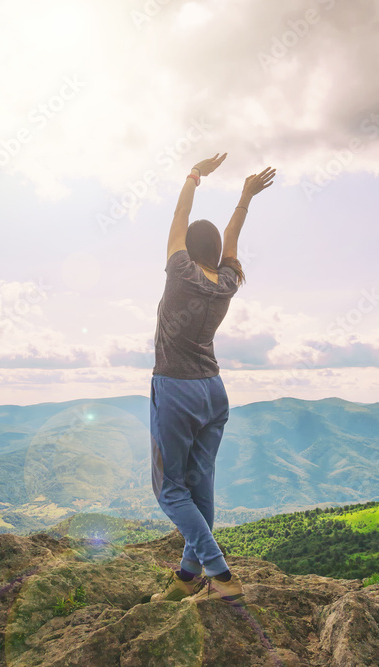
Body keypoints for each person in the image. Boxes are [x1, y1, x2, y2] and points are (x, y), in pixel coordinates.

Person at [148, 153, 276, 603]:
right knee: (200, 487)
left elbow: (179, 215)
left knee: (169, 490)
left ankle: (221, 577)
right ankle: (187, 575)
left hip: (176, 389)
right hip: (213, 393)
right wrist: (244, 195)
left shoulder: (179, 272)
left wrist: (194, 174)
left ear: (187, 248)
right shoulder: (226, 281)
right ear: (215, 253)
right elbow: (232, 237)